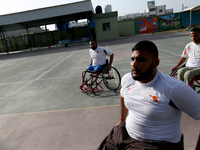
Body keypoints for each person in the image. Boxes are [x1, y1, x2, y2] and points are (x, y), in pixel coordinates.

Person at [97, 40, 200, 150]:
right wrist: (122, 119)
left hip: (155, 143)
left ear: (155, 62)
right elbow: (123, 94)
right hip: (124, 133)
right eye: (132, 59)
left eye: (141, 60)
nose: (134, 64)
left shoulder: (173, 88)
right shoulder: (128, 79)